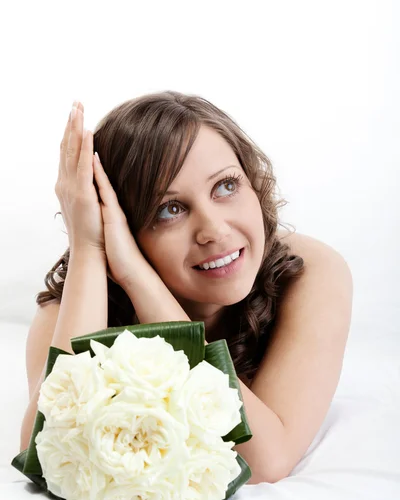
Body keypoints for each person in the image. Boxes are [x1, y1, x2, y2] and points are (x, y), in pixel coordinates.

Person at [20, 91, 306, 463]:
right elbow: (41, 452)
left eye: (226, 185)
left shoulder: (306, 272)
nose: (214, 231)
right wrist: (96, 251)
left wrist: (140, 275)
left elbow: (269, 459)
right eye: (170, 209)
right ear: (121, 229)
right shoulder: (75, 305)